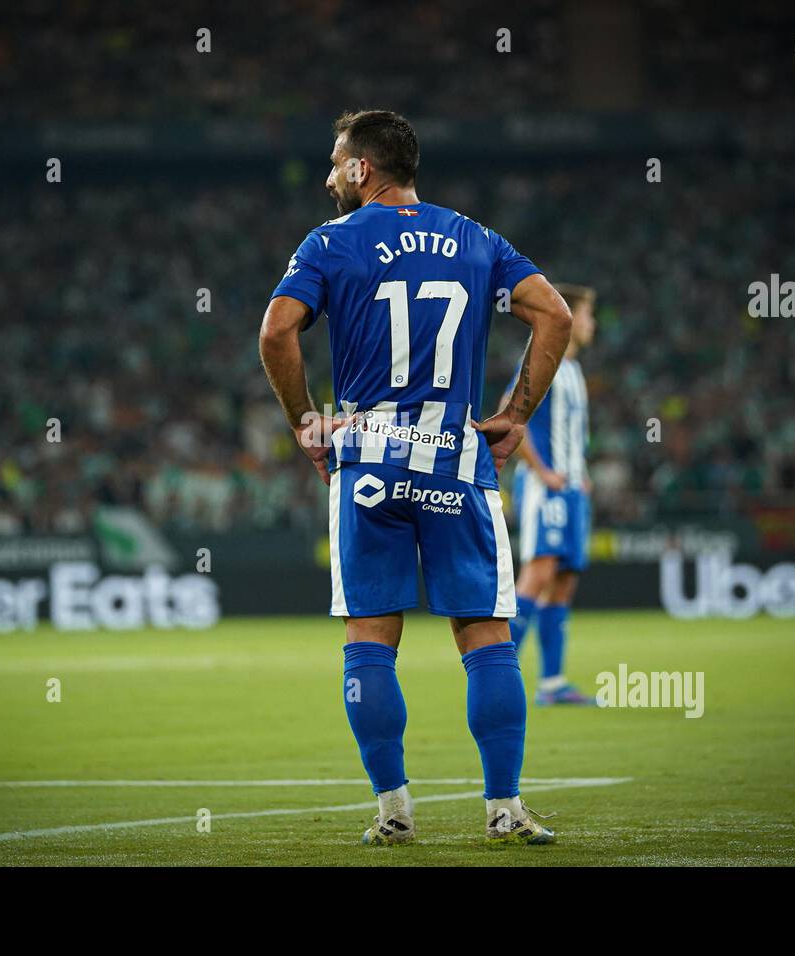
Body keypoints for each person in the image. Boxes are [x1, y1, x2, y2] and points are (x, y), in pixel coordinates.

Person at [259, 110, 571, 845]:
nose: (330, 175)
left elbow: (276, 331)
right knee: (486, 635)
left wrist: (307, 420)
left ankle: (394, 812)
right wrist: (514, 413)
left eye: (336, 162)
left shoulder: (329, 244)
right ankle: (505, 809)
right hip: (455, 457)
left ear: (364, 169)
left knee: (370, 638)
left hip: (367, 454)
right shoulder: (474, 236)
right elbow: (553, 317)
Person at [504, 284, 597, 705]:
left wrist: (580, 473)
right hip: (547, 489)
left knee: (563, 581)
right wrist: (542, 470)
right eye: (588, 315)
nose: (592, 324)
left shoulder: (574, 370)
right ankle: (498, 672)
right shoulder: (547, 361)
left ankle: (553, 683)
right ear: (569, 317)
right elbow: (510, 413)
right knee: (538, 573)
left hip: (573, 489)